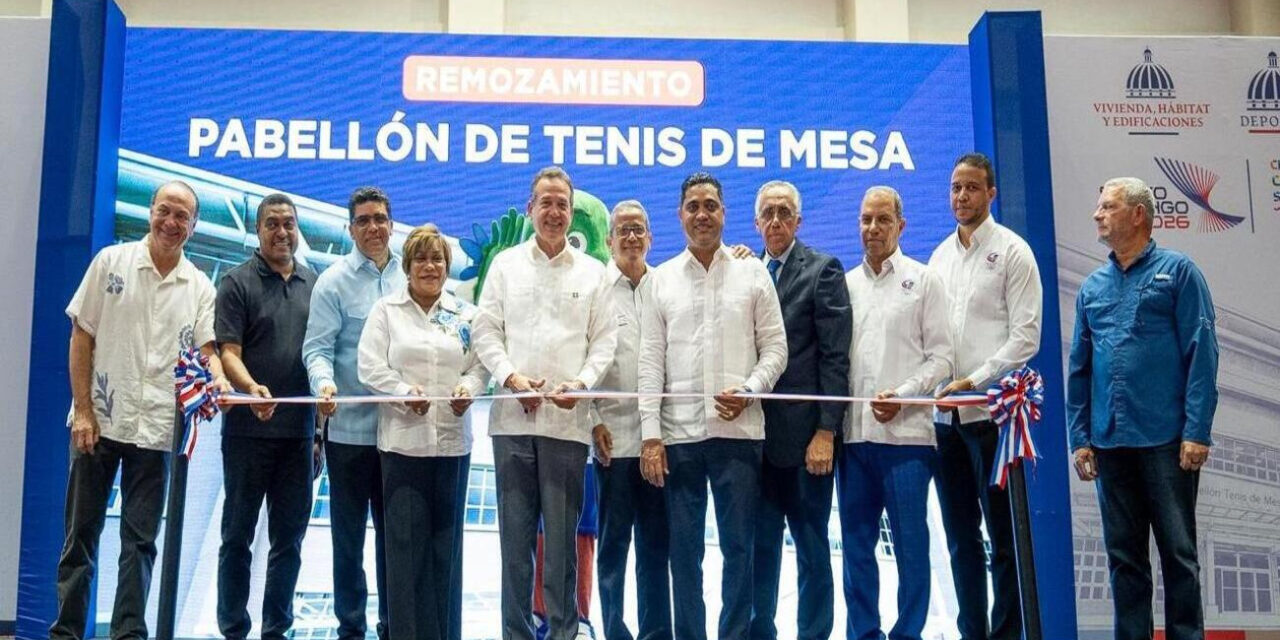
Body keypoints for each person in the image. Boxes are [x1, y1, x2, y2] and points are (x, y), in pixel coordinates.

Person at [51, 181, 230, 640]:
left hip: (156, 432)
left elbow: (207, 351)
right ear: (151, 211)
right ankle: (66, 633)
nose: (172, 223)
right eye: (165, 211)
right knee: (80, 542)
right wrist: (84, 410)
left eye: (182, 216)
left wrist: (222, 381)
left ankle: (128, 634)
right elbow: (82, 336)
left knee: (141, 544)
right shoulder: (110, 263)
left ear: (193, 226)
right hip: (100, 424)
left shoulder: (200, 286)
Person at [638, 172, 788, 640]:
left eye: (711, 205)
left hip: (740, 436)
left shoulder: (753, 272)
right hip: (679, 437)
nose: (702, 214)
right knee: (684, 554)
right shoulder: (660, 279)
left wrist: (750, 388)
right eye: (693, 206)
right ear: (681, 215)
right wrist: (650, 435)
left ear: (724, 212)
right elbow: (649, 363)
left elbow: (776, 349)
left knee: (740, 549)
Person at [1068, 177, 1218, 640]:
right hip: (1110, 443)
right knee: (1124, 560)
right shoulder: (1092, 286)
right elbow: (1079, 368)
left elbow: (1202, 353)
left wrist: (1197, 431)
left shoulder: (1180, 272)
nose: (1097, 214)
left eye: (1107, 206)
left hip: (1167, 441)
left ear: (1138, 214)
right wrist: (1080, 438)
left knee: (1178, 554)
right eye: (1098, 206)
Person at [472, 166, 618, 640]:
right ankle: (515, 634)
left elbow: (604, 342)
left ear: (571, 213)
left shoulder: (594, 273)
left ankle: (563, 633)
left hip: (566, 427)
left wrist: (582, 382)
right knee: (515, 548)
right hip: (512, 422)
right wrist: (510, 378)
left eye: (562, 204)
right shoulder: (505, 266)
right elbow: (485, 331)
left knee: (562, 547)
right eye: (546, 202)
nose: (554, 212)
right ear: (531, 208)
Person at [929, 153, 1042, 640]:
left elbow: (1027, 336)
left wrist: (976, 379)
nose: (962, 197)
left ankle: (1007, 634)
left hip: (992, 418)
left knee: (1003, 541)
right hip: (943, 422)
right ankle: (971, 631)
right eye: (956, 187)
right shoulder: (937, 257)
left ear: (991, 193)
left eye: (972, 188)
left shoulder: (1014, 252)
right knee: (960, 542)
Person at [357, 224, 487, 640]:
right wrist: (400, 391)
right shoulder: (386, 311)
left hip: (453, 448)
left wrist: (469, 388)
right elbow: (370, 366)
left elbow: (480, 366)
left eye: (438, 259)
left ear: (447, 267)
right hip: (403, 448)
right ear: (408, 266)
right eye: (421, 259)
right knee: (406, 559)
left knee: (446, 558)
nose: (430, 267)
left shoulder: (466, 314)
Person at [840, 186, 953, 640]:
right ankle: (864, 632)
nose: (873, 228)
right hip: (854, 440)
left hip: (907, 440)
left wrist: (904, 395)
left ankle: (908, 633)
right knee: (857, 550)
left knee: (911, 548)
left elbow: (943, 359)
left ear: (901, 226)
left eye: (882, 220)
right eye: (866, 219)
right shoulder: (844, 285)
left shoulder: (925, 281)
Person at [745, 181, 850, 640]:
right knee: (759, 552)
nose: (775, 221)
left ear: (798, 221)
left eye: (784, 213)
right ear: (755, 222)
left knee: (811, 550)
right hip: (753, 443)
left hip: (808, 443)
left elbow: (835, 356)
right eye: (767, 213)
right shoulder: (744, 271)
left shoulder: (823, 270)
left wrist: (826, 431)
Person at [302, 186, 405, 640]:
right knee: (348, 544)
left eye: (380, 218)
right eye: (363, 220)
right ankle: (351, 629)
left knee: (395, 541)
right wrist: (322, 383)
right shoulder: (333, 282)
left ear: (391, 223)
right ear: (350, 229)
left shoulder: (413, 274)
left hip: (402, 436)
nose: (373, 227)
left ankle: (392, 626)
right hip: (349, 437)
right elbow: (318, 350)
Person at [215, 193, 317, 640]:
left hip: (299, 438)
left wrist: (321, 432)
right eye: (272, 224)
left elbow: (322, 356)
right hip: (246, 435)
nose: (282, 232)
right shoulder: (237, 283)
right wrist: (249, 387)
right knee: (237, 539)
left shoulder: (315, 284)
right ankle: (233, 629)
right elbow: (228, 352)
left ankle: (277, 630)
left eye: (289, 224)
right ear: (258, 231)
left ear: (298, 230)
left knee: (288, 543)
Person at [590, 200, 672, 640]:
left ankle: (657, 632)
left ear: (650, 237)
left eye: (639, 229)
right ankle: (615, 632)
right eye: (623, 230)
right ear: (609, 239)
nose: (632, 237)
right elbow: (583, 359)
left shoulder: (666, 286)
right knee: (614, 546)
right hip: (614, 441)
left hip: (659, 441)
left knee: (656, 547)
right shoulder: (596, 289)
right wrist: (592, 420)